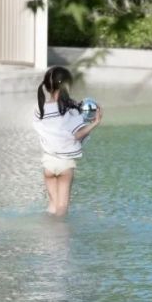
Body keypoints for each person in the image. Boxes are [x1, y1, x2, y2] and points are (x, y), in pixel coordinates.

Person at [32, 66, 103, 216]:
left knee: (52, 205)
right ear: (67, 85)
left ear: (47, 86)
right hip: (65, 164)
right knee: (62, 207)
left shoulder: (40, 109)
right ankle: (61, 238)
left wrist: (73, 105)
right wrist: (95, 123)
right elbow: (77, 135)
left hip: (48, 163)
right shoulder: (69, 112)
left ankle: (47, 237)